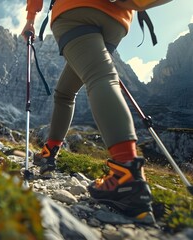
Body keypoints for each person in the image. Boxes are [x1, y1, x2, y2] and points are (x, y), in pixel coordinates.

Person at [22, 0, 159, 224]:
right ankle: (49, 151)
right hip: (119, 19)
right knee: (65, 93)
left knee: (100, 77)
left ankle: (126, 175)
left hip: (76, 10)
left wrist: (30, 20)